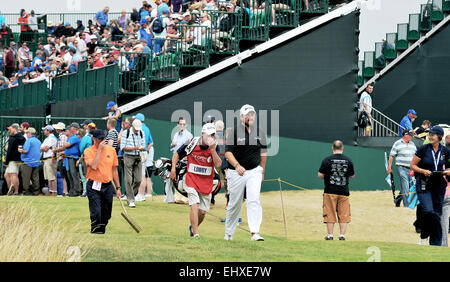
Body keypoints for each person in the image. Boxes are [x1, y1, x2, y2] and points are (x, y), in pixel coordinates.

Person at [224, 104, 267, 241]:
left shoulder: (260, 132)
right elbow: (228, 153)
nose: (251, 117)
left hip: (254, 171)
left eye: (253, 114)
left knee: (254, 200)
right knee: (235, 204)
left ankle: (255, 233)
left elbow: (264, 152)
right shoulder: (234, 132)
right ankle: (229, 233)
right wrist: (237, 166)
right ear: (242, 117)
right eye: (248, 114)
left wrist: (262, 171)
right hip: (236, 173)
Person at [171, 123, 222, 238]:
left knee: (203, 211)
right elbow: (176, 154)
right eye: (209, 135)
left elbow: (218, 164)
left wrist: (213, 150)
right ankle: (196, 234)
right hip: (191, 178)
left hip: (206, 182)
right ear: (202, 134)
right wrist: (173, 169)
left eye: (213, 135)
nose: (211, 137)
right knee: (195, 204)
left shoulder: (215, 146)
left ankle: (193, 227)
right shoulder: (191, 142)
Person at [410, 125, 450, 246]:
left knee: (437, 214)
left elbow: (448, 166)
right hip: (424, 184)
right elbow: (412, 165)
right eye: (429, 134)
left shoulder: (446, 151)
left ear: (439, 137)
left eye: (433, 134)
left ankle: (435, 243)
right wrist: (423, 171)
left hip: (439, 185)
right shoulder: (423, 149)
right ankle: (423, 237)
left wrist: (448, 171)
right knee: (429, 211)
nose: (430, 136)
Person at [84, 129, 121, 234]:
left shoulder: (111, 150)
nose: (102, 140)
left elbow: (114, 170)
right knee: (96, 211)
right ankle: (96, 230)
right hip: (94, 184)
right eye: (99, 139)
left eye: (103, 138)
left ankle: (102, 229)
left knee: (107, 212)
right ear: (94, 139)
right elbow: (94, 166)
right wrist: (99, 150)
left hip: (107, 185)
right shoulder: (88, 151)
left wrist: (118, 188)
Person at [318, 140, 355, 241]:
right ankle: (342, 235)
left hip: (330, 191)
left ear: (332, 148)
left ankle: (330, 235)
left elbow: (320, 175)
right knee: (344, 214)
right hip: (344, 191)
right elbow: (352, 175)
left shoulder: (327, 160)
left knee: (329, 212)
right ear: (342, 148)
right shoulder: (348, 160)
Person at [120, 118, 146, 207]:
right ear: (132, 126)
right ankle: (131, 200)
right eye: (136, 129)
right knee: (128, 179)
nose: (137, 131)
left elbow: (144, 145)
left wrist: (142, 148)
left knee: (138, 180)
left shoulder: (142, 133)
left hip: (138, 157)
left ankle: (129, 195)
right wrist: (135, 148)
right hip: (128, 157)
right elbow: (122, 147)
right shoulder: (125, 133)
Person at [387, 130, 417, 207]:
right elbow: (391, 155)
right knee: (405, 185)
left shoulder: (412, 144)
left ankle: (397, 200)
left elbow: (415, 156)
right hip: (401, 167)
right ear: (405, 135)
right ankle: (407, 205)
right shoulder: (397, 143)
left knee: (410, 186)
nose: (411, 137)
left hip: (411, 168)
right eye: (410, 135)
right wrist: (389, 167)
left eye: (412, 135)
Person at [133, 113, 154, 202]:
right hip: (144, 153)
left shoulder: (140, 128)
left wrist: (144, 150)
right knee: (143, 175)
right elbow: (151, 142)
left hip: (140, 152)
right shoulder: (147, 128)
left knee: (141, 175)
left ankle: (140, 195)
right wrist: (147, 151)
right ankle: (141, 194)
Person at [18, 128, 42, 196]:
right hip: (36, 162)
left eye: (27, 133)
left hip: (28, 162)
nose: (26, 134)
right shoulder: (38, 141)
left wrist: (20, 150)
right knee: (35, 178)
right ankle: (36, 192)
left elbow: (26, 151)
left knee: (26, 178)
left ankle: (26, 192)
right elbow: (40, 152)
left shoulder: (28, 140)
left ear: (30, 133)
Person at [4, 123, 26, 195]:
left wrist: (6, 162)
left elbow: (9, 150)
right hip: (19, 158)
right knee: (6, 175)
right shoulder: (22, 138)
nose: (10, 131)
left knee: (13, 174)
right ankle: (11, 189)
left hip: (12, 159)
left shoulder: (12, 138)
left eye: (11, 129)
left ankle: (15, 192)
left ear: (14, 129)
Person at [63, 123, 82, 197]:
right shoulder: (71, 137)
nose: (71, 129)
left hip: (73, 158)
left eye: (72, 128)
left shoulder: (75, 137)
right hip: (68, 158)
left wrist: (65, 143)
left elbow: (66, 145)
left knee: (74, 174)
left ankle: (76, 191)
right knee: (69, 175)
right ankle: (72, 190)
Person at [40, 125, 58, 195]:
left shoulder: (52, 138)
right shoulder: (47, 138)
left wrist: (43, 148)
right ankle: (50, 191)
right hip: (46, 159)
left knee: (52, 176)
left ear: (48, 130)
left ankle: (54, 192)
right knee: (48, 176)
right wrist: (43, 148)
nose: (44, 131)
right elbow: (41, 147)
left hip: (50, 158)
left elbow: (45, 148)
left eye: (45, 130)